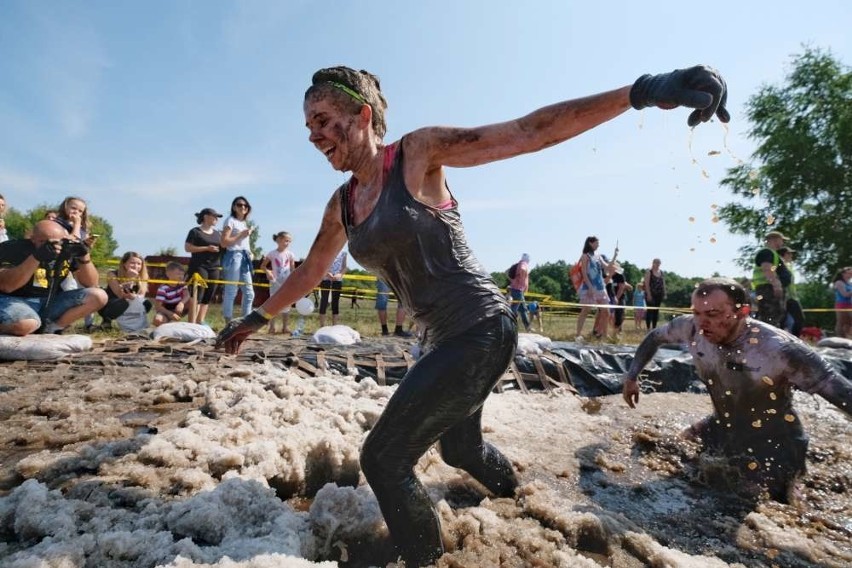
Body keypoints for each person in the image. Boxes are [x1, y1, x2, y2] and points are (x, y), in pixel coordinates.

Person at [215, 63, 729, 565]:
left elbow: (528, 132)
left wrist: (641, 91)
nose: (315, 135)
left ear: (364, 116)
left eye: (325, 121)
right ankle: (522, 496)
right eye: (309, 127)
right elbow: (308, 272)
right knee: (460, 451)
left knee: (383, 460)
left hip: (481, 327)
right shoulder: (342, 205)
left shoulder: (416, 154)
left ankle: (425, 560)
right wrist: (252, 320)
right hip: (441, 342)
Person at [623, 278, 852, 503]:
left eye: (713, 314)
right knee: (666, 452)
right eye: (697, 313)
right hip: (722, 424)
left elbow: (841, 392)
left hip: (775, 442)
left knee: (748, 501)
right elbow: (654, 337)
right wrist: (631, 377)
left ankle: (793, 487)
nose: (702, 323)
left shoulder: (778, 349)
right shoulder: (691, 327)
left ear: (742, 312)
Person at [0, 220, 105, 335]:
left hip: (50, 301)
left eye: (59, 242)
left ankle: (53, 328)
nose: (55, 246)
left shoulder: (66, 250)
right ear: (33, 238)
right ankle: (26, 325)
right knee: (26, 324)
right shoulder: (13, 248)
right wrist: (36, 257)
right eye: (44, 241)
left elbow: (91, 283)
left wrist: (84, 256)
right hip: (14, 299)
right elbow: (7, 286)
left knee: (99, 296)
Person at [184, 208, 223, 325]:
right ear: (205, 217)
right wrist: (206, 248)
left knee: (209, 294)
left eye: (217, 217)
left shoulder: (218, 233)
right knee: (198, 293)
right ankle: (192, 323)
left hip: (214, 266)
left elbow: (223, 248)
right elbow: (187, 248)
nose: (216, 219)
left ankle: (200, 321)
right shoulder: (195, 232)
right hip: (199, 266)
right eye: (214, 216)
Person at [220, 196, 255, 322]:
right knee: (231, 291)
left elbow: (243, 242)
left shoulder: (244, 223)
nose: (243, 207)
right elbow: (223, 243)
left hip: (244, 257)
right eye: (239, 205)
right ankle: (228, 323)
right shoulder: (230, 221)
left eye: (245, 205)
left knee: (249, 293)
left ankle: (245, 323)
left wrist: (250, 252)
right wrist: (241, 235)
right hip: (234, 256)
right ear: (234, 207)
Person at [575, 236, 617, 341]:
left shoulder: (598, 256)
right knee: (585, 311)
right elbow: (584, 273)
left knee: (606, 311)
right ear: (590, 243)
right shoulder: (585, 256)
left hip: (600, 287)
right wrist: (589, 287)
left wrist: (615, 255)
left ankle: (604, 335)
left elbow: (607, 267)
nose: (598, 245)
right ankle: (578, 334)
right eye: (597, 243)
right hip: (589, 287)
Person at [98, 251, 152, 331]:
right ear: (124, 263)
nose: (136, 266)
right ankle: (107, 321)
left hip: (132, 305)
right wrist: (129, 279)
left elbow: (141, 297)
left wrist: (135, 296)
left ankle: (134, 323)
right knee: (123, 303)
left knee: (147, 304)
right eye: (132, 263)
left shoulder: (143, 277)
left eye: (139, 264)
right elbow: (120, 294)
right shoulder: (112, 274)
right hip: (112, 304)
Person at [751, 230, 791, 328]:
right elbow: (767, 269)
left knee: (773, 316)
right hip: (768, 289)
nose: (782, 243)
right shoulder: (767, 252)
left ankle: (768, 339)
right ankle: (768, 340)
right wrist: (776, 285)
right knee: (771, 316)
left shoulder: (772, 254)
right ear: (775, 239)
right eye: (781, 240)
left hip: (768, 288)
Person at [260, 231, 296, 334]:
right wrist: (268, 272)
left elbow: (293, 269)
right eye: (286, 240)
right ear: (279, 240)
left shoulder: (290, 254)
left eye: (289, 241)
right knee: (273, 305)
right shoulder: (272, 253)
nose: (288, 243)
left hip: (286, 283)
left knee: (287, 305)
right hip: (275, 283)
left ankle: (285, 327)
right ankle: (272, 327)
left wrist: (294, 281)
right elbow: (263, 266)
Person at [152, 261, 189, 326]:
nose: (181, 276)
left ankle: (193, 324)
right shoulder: (163, 288)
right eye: (178, 274)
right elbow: (158, 307)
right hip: (166, 311)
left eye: (182, 274)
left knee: (193, 300)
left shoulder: (182, 284)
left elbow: (187, 295)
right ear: (168, 274)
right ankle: (167, 326)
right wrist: (170, 314)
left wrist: (181, 303)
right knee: (157, 320)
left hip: (179, 309)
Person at [778, 247, 804, 338]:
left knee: (785, 320)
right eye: (789, 253)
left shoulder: (788, 266)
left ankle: (792, 339)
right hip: (786, 297)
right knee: (797, 319)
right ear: (783, 255)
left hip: (791, 297)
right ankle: (793, 339)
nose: (791, 255)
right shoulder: (780, 266)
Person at [317, 248, 347, 327]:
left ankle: (334, 326)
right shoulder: (327, 249)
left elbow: (344, 267)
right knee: (324, 301)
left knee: (335, 303)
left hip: (337, 280)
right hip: (326, 279)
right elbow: (321, 264)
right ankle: (322, 326)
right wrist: (327, 273)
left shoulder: (344, 252)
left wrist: (340, 274)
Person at [508, 253, 532, 332]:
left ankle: (528, 327)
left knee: (523, 310)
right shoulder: (523, 263)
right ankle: (509, 326)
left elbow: (507, 272)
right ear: (527, 259)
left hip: (517, 290)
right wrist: (522, 278)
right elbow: (522, 269)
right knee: (513, 309)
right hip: (518, 290)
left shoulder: (518, 264)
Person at [643, 258, 666, 329]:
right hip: (651, 294)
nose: (658, 264)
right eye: (657, 263)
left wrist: (664, 293)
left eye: (659, 263)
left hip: (659, 294)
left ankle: (654, 328)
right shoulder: (649, 272)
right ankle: (648, 327)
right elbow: (646, 284)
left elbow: (663, 283)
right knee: (650, 311)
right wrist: (649, 294)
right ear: (653, 263)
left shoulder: (661, 272)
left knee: (656, 311)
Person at [833, 267, 852, 338]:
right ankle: (839, 337)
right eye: (849, 273)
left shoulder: (850, 283)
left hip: (850, 304)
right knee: (841, 322)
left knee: (849, 322)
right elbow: (845, 294)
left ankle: (847, 337)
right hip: (841, 304)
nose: (851, 275)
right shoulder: (839, 283)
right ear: (843, 274)